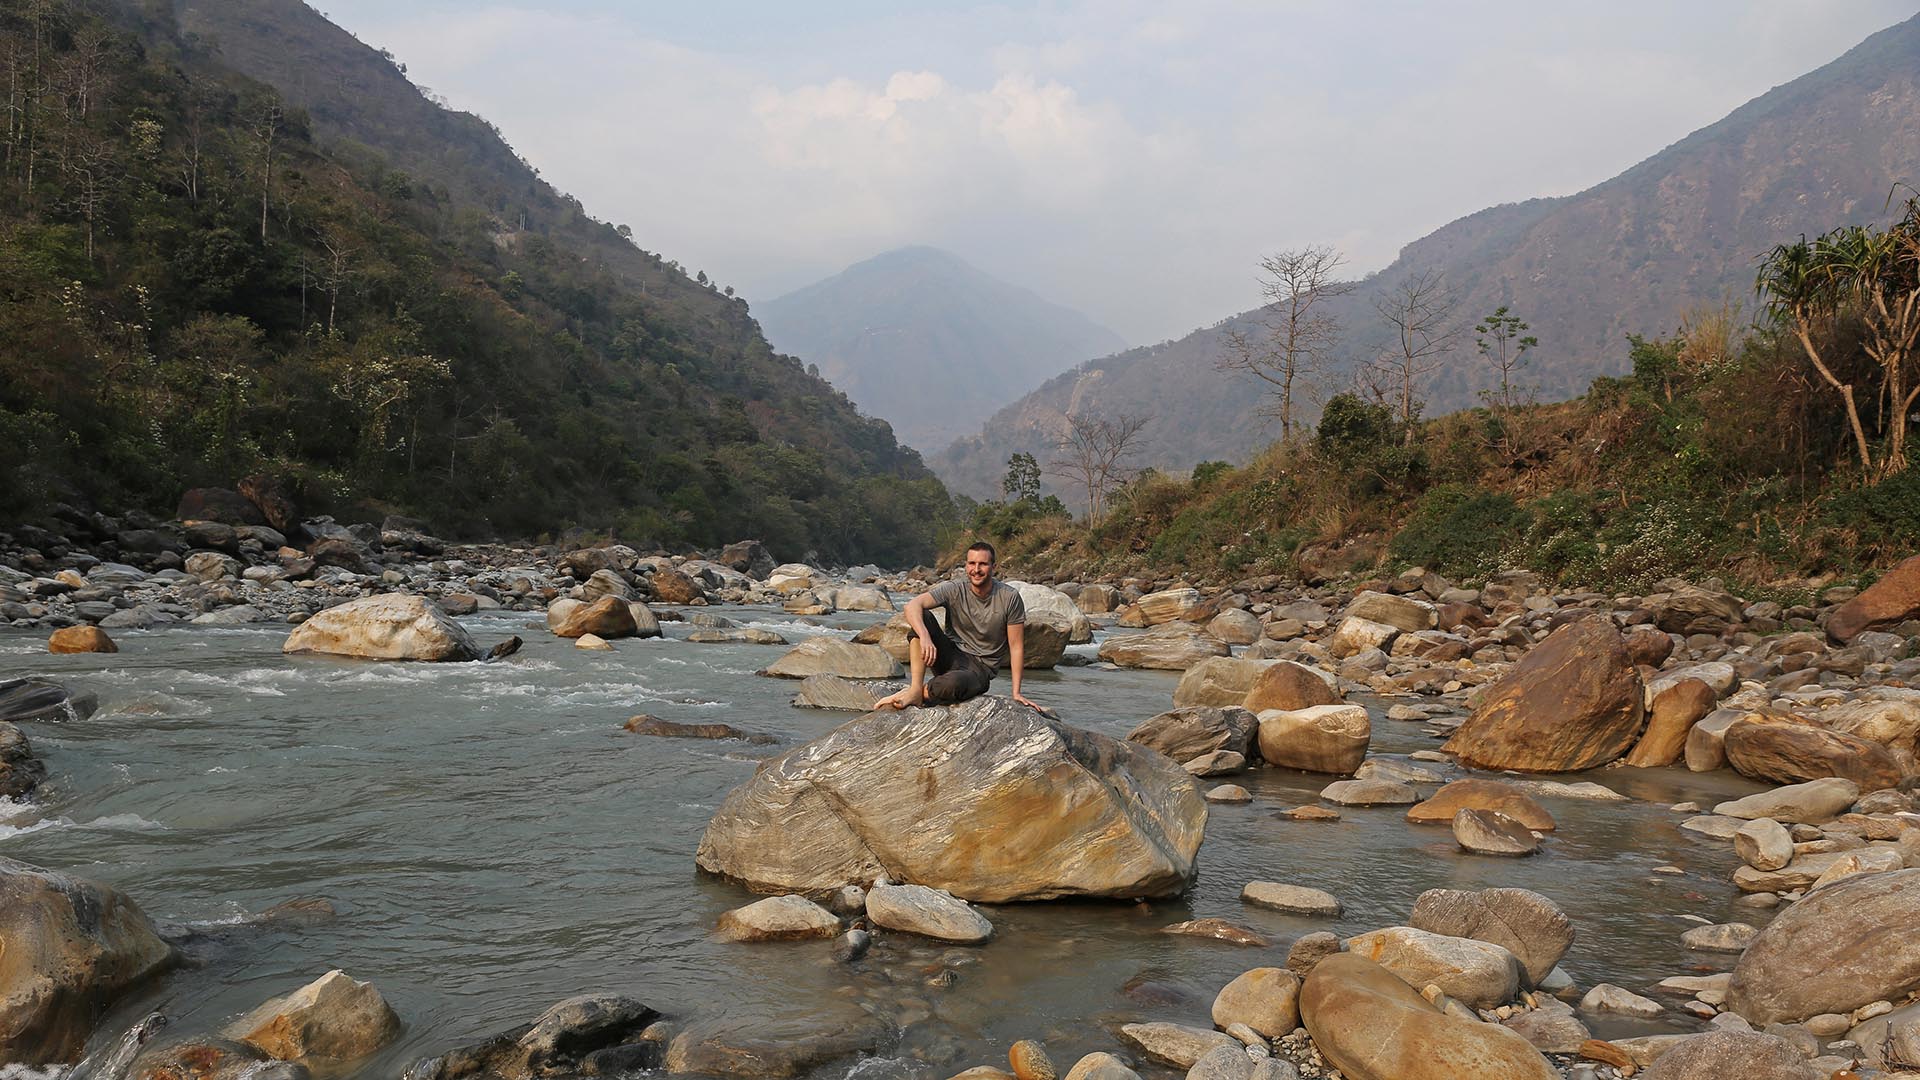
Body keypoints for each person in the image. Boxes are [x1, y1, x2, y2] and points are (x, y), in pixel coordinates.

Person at [875, 541, 1043, 712]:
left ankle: (919, 693)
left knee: (951, 685)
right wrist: (925, 637)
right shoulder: (955, 589)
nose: (976, 569)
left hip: (979, 668)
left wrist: (1016, 693)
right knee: (923, 617)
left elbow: (1016, 646)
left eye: (983, 564)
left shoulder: (1009, 597)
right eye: (972, 563)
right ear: (966, 565)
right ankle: (915, 688)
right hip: (950, 654)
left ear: (994, 567)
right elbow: (912, 606)